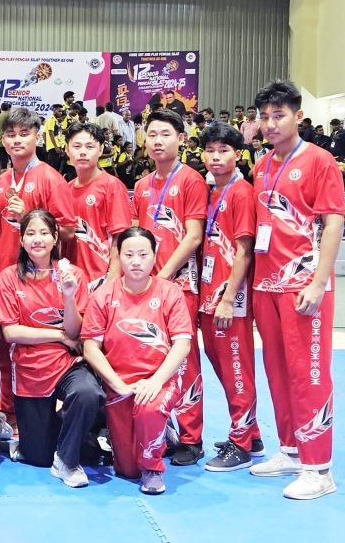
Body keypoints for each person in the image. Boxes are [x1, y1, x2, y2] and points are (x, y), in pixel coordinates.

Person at [248, 80, 343, 499]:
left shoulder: (321, 161)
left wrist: (319, 282)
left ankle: (318, 468)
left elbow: (333, 223)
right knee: (278, 371)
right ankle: (290, 449)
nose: (269, 124)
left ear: (298, 117)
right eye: (264, 117)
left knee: (310, 373)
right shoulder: (261, 165)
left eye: (278, 115)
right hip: (266, 285)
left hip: (303, 284)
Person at [81, 227, 194, 495]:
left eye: (143, 254)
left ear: (154, 257)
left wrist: (156, 382)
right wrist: (117, 384)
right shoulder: (104, 294)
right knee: (127, 469)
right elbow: (90, 347)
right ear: (118, 257)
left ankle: (154, 468)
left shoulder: (170, 293)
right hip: (119, 383)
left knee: (149, 411)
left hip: (159, 381)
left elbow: (183, 344)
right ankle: (160, 435)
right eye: (128, 254)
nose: (135, 261)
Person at [0, 210, 101, 488]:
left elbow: (75, 332)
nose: (37, 239)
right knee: (38, 456)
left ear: (55, 238)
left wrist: (68, 296)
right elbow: (11, 332)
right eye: (30, 233)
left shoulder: (73, 275)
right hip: (29, 369)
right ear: (22, 239)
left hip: (66, 365)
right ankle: (62, 434)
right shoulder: (8, 277)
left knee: (88, 392)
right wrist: (59, 335)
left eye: (44, 233)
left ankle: (67, 460)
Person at [0, 107, 76, 432]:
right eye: (10, 134)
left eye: (23, 133)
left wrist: (30, 214)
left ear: (36, 136)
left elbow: (67, 231)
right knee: (2, 347)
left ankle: (35, 414)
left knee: (33, 347)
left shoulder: (50, 178)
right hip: (2, 276)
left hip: (37, 281)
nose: (16, 140)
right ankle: (7, 411)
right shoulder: (0, 180)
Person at [131, 108, 209, 467]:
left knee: (185, 361)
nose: (157, 141)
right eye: (152, 135)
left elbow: (193, 237)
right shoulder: (144, 185)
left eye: (165, 134)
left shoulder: (191, 180)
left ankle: (192, 437)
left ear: (181, 139)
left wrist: (162, 277)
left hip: (178, 286)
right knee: (149, 356)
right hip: (146, 286)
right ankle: (163, 428)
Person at [196, 123, 263, 472]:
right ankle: (250, 432)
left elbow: (244, 251)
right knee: (220, 361)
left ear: (238, 154)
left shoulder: (240, 192)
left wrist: (228, 298)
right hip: (210, 292)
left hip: (228, 297)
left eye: (223, 150)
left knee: (237, 367)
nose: (215, 157)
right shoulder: (213, 191)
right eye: (210, 150)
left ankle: (240, 445)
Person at [64, 122, 132, 292]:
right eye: (77, 146)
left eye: (90, 146)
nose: (83, 152)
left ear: (101, 150)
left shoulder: (112, 186)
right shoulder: (66, 188)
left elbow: (121, 238)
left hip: (100, 279)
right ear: (67, 150)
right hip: (70, 278)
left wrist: (111, 281)